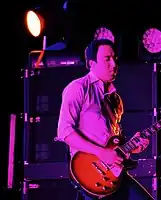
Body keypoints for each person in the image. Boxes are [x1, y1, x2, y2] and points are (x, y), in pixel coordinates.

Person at [56, 38, 154, 200]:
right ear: (91, 63)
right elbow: (64, 132)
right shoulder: (78, 88)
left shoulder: (116, 99)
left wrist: (131, 147)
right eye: (107, 59)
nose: (114, 65)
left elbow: (113, 141)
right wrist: (101, 153)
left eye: (114, 59)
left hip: (113, 174)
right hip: (89, 173)